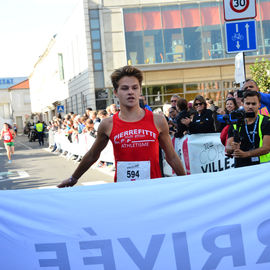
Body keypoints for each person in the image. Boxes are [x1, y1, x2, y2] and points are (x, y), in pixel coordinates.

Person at [58, 65, 186, 187]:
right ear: (116, 92)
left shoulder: (158, 120)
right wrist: (73, 178)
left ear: (140, 90)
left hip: (152, 188)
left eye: (135, 88)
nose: (130, 92)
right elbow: (92, 154)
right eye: (125, 88)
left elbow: (172, 156)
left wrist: (188, 182)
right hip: (123, 190)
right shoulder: (107, 124)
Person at [226, 91, 270, 168]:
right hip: (241, 167)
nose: (250, 106)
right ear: (242, 104)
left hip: (262, 167)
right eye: (248, 103)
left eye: (253, 104)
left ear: (259, 105)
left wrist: (246, 154)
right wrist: (232, 147)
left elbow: (266, 148)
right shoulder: (236, 123)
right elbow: (228, 148)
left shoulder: (266, 121)